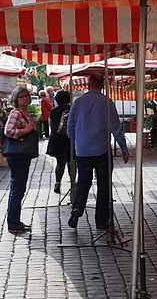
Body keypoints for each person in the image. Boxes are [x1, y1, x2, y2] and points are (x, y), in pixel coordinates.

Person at [67, 74, 130, 230]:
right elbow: (116, 128)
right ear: (102, 85)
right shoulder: (107, 103)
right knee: (104, 184)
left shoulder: (78, 102)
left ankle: (77, 208)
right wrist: (123, 148)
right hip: (102, 149)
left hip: (82, 150)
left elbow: (70, 128)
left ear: (88, 83)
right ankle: (101, 220)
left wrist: (78, 143)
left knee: (83, 181)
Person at [4, 86, 38, 233]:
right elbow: (9, 131)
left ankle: (15, 220)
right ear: (16, 99)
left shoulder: (24, 113)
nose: (25, 98)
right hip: (17, 155)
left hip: (22, 155)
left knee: (19, 189)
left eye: (26, 96)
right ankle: (13, 223)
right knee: (17, 190)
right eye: (22, 96)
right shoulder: (16, 113)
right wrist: (26, 130)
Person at [46, 90, 72, 194]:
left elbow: (51, 125)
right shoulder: (73, 109)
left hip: (57, 139)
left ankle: (57, 183)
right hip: (70, 139)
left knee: (60, 162)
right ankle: (73, 183)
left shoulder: (54, 110)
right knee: (72, 162)